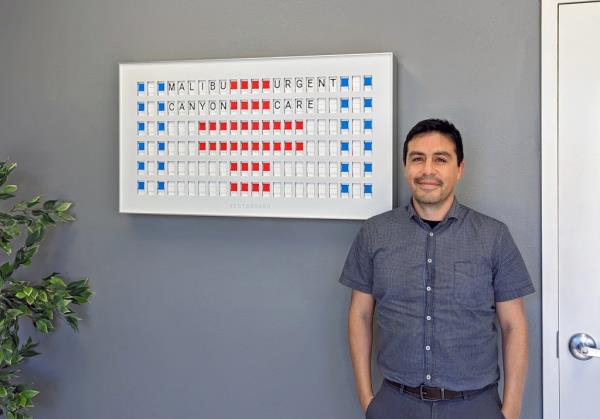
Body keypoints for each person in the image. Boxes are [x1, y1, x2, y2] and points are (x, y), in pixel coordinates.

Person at [339, 119, 534, 419]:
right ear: (405, 166)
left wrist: (510, 411)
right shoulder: (374, 233)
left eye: (440, 159)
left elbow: (514, 326)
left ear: (459, 169)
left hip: (475, 406)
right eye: (418, 158)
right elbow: (360, 314)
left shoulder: (494, 236)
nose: (427, 170)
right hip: (395, 403)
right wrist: (368, 401)